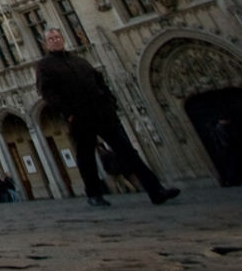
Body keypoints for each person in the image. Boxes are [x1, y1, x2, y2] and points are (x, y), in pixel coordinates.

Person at [35, 27, 180, 207]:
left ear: (62, 39)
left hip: (103, 113)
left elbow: (99, 81)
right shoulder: (44, 65)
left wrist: (110, 102)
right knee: (86, 157)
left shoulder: (79, 61)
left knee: (127, 150)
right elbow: (48, 93)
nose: (56, 40)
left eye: (58, 37)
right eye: (51, 38)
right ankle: (94, 194)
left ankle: (155, 190)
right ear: (46, 43)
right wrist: (69, 113)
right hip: (79, 117)